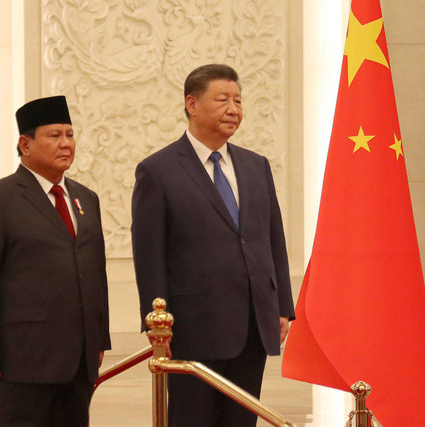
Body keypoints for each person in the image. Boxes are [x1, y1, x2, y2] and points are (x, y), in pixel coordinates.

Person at [131, 64, 295, 426]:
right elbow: (149, 254)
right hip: (192, 328)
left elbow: (272, 238)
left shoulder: (256, 166)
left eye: (238, 100)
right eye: (222, 99)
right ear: (192, 104)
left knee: (242, 420)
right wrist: (158, 325)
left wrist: (282, 305)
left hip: (253, 323)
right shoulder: (158, 170)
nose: (233, 109)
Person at [0, 96, 111, 426]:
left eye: (70, 135)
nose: (66, 143)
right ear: (25, 144)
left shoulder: (86, 198)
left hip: (79, 357)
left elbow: (95, 271)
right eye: (54, 135)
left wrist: (99, 338)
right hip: (23, 357)